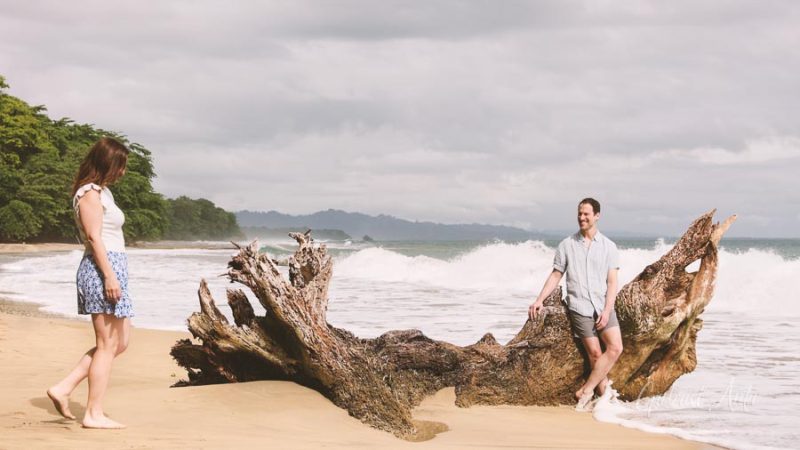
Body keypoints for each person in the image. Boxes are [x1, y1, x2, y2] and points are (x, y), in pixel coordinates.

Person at [47, 137, 133, 429]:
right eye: (120, 165)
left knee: (120, 343)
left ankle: (64, 388)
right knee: (107, 344)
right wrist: (109, 275)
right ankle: (93, 413)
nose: (122, 172)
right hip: (101, 269)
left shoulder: (104, 193)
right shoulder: (89, 193)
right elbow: (94, 237)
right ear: (106, 162)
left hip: (113, 268)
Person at [528, 198, 623, 411]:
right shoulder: (567, 245)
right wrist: (539, 300)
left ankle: (586, 390)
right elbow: (556, 275)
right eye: (579, 214)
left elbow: (612, 282)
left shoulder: (609, 247)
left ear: (597, 216)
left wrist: (607, 311)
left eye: (586, 214)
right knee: (596, 354)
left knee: (616, 347)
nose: (581, 217)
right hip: (579, 307)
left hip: (602, 305)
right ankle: (607, 400)